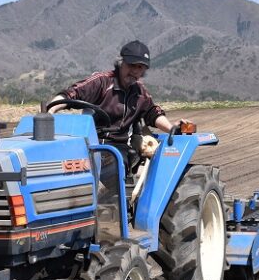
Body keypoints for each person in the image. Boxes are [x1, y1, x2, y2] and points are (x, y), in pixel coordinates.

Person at [47, 40, 179, 178]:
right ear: (121, 63)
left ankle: (108, 197)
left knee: (115, 164)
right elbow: (71, 94)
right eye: (131, 65)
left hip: (118, 148)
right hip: (91, 144)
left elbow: (152, 113)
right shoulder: (102, 82)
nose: (135, 71)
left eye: (140, 67)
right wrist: (50, 111)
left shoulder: (140, 93)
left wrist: (171, 129)